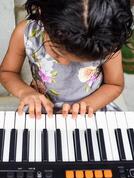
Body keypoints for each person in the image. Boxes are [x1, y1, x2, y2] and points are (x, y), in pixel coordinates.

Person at [0, 0, 133, 119]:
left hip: (92, 109)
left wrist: (88, 105)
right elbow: (7, 72)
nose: (64, 63)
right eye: (57, 53)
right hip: (40, 108)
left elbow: (114, 84)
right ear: (41, 12)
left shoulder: (106, 43)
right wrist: (26, 92)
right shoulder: (26, 33)